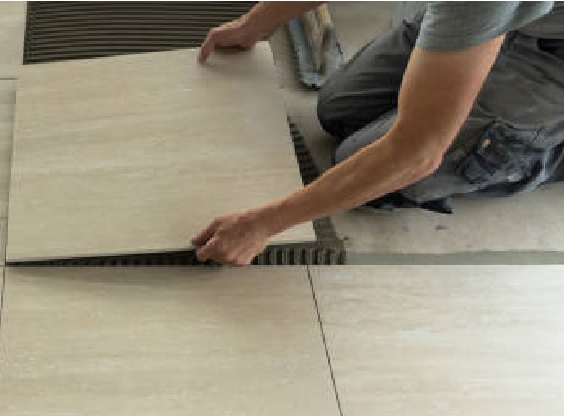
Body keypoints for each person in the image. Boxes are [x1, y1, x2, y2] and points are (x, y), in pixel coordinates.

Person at [193, 1, 564, 265]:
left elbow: (417, 153)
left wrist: (262, 224)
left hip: (548, 57)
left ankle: (546, 151)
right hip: (491, 16)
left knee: (383, 176)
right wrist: (254, 24)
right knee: (337, 110)